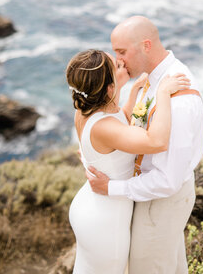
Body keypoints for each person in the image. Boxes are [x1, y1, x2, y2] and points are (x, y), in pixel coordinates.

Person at [86, 16, 203, 274]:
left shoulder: (177, 98)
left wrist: (111, 188)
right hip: (148, 197)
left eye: (122, 52)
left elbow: (167, 180)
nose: (118, 61)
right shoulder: (150, 81)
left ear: (146, 45)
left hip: (159, 203)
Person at [66, 48, 191, 274]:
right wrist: (162, 93)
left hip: (91, 204)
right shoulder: (105, 128)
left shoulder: (84, 108)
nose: (122, 65)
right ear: (109, 88)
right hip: (106, 219)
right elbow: (156, 141)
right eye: (116, 67)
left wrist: (131, 88)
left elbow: (118, 119)